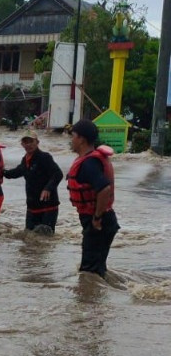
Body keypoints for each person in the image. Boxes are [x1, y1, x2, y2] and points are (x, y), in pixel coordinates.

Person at [66, 119, 120, 278]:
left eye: (73, 136)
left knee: (89, 273)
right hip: (105, 221)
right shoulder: (92, 159)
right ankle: (98, 301)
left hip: (99, 222)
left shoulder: (89, 163)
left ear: (81, 139)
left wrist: (97, 218)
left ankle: (88, 302)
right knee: (95, 270)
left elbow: (104, 189)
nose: (72, 140)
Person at [3, 129, 63, 232]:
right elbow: (16, 172)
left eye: (31, 141)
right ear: (22, 144)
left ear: (37, 142)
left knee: (44, 241)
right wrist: (1, 172)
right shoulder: (25, 160)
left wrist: (47, 189)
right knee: (29, 241)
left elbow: (58, 174)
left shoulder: (45, 157)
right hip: (32, 208)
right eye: (26, 142)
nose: (28, 144)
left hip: (48, 207)